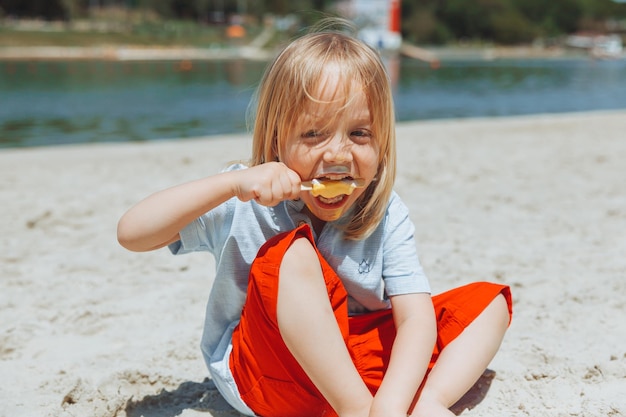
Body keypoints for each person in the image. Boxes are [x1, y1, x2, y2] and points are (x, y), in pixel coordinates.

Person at [117, 20, 512, 417]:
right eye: (313, 134)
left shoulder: (386, 209)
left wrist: (393, 405)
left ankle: (428, 403)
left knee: (486, 303)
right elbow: (132, 233)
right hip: (270, 372)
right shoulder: (246, 197)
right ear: (276, 140)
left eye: (359, 134)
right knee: (291, 255)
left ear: (383, 145)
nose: (338, 155)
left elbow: (414, 318)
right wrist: (232, 184)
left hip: (359, 367)